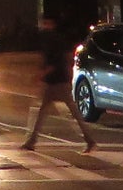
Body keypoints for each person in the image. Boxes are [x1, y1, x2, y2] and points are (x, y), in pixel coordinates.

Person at [20, 15, 98, 152]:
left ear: (50, 24)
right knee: (66, 113)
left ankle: (31, 142)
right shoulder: (57, 39)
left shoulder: (51, 40)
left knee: (43, 113)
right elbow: (65, 58)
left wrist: (39, 76)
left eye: (45, 23)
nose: (43, 26)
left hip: (55, 82)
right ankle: (89, 140)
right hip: (59, 81)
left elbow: (54, 62)